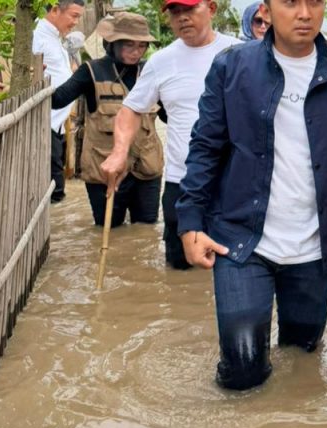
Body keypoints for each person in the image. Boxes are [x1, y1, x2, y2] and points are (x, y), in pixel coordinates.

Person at [175, 0, 327, 390]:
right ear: (267, 9)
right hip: (241, 241)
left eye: (314, 2)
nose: (304, 13)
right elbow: (205, 147)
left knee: (303, 360)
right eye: (290, 2)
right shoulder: (232, 66)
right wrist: (190, 222)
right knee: (242, 372)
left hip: (314, 245)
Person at [100, 0, 239, 269]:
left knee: (236, 266)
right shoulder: (161, 62)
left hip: (235, 182)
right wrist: (119, 153)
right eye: (176, 11)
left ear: (211, 9)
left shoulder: (240, 53)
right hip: (182, 182)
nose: (182, 18)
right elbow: (130, 109)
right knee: (180, 272)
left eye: (190, 9)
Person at [51, 13, 164, 227]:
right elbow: (58, 99)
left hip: (147, 168)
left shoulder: (151, 71)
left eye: (142, 46)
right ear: (112, 43)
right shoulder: (91, 71)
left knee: (146, 231)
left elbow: (169, 115)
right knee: (108, 230)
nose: (136, 51)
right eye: (129, 45)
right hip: (104, 169)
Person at [33, 0, 85, 203]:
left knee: (57, 182)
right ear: (55, 9)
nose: (76, 22)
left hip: (57, 124)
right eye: (74, 15)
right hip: (45, 124)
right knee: (55, 191)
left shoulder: (54, 37)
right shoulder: (38, 38)